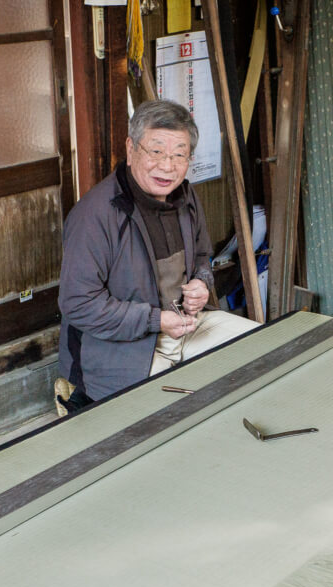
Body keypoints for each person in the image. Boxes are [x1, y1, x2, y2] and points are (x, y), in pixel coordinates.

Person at [56, 100, 258, 414]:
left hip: (187, 326)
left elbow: (203, 255)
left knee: (265, 353)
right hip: (123, 349)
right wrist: (155, 320)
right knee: (179, 415)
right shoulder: (96, 215)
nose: (168, 166)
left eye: (179, 154)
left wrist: (202, 284)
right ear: (131, 148)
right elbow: (78, 304)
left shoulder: (186, 197)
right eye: (156, 152)